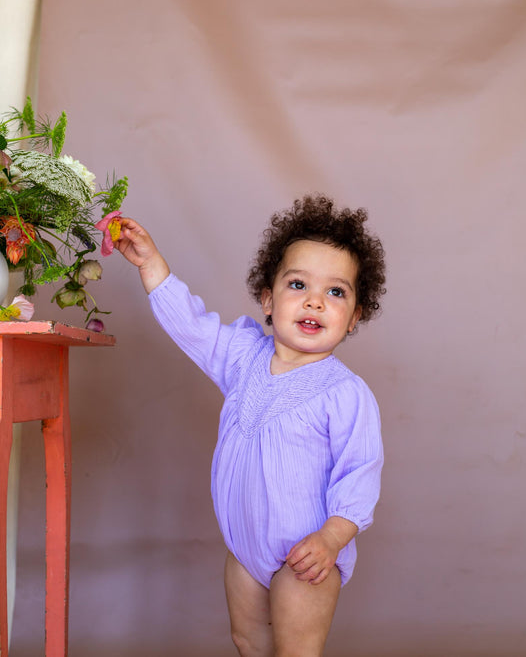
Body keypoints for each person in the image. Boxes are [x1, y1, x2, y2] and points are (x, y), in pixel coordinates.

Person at [115, 194, 386, 657]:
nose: (315, 301)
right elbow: (193, 327)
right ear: (268, 299)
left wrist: (331, 539)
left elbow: (360, 473)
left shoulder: (344, 392)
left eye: (336, 292)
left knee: (296, 650)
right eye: (298, 284)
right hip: (244, 548)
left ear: (355, 316)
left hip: (307, 554)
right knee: (247, 642)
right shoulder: (243, 357)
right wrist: (151, 264)